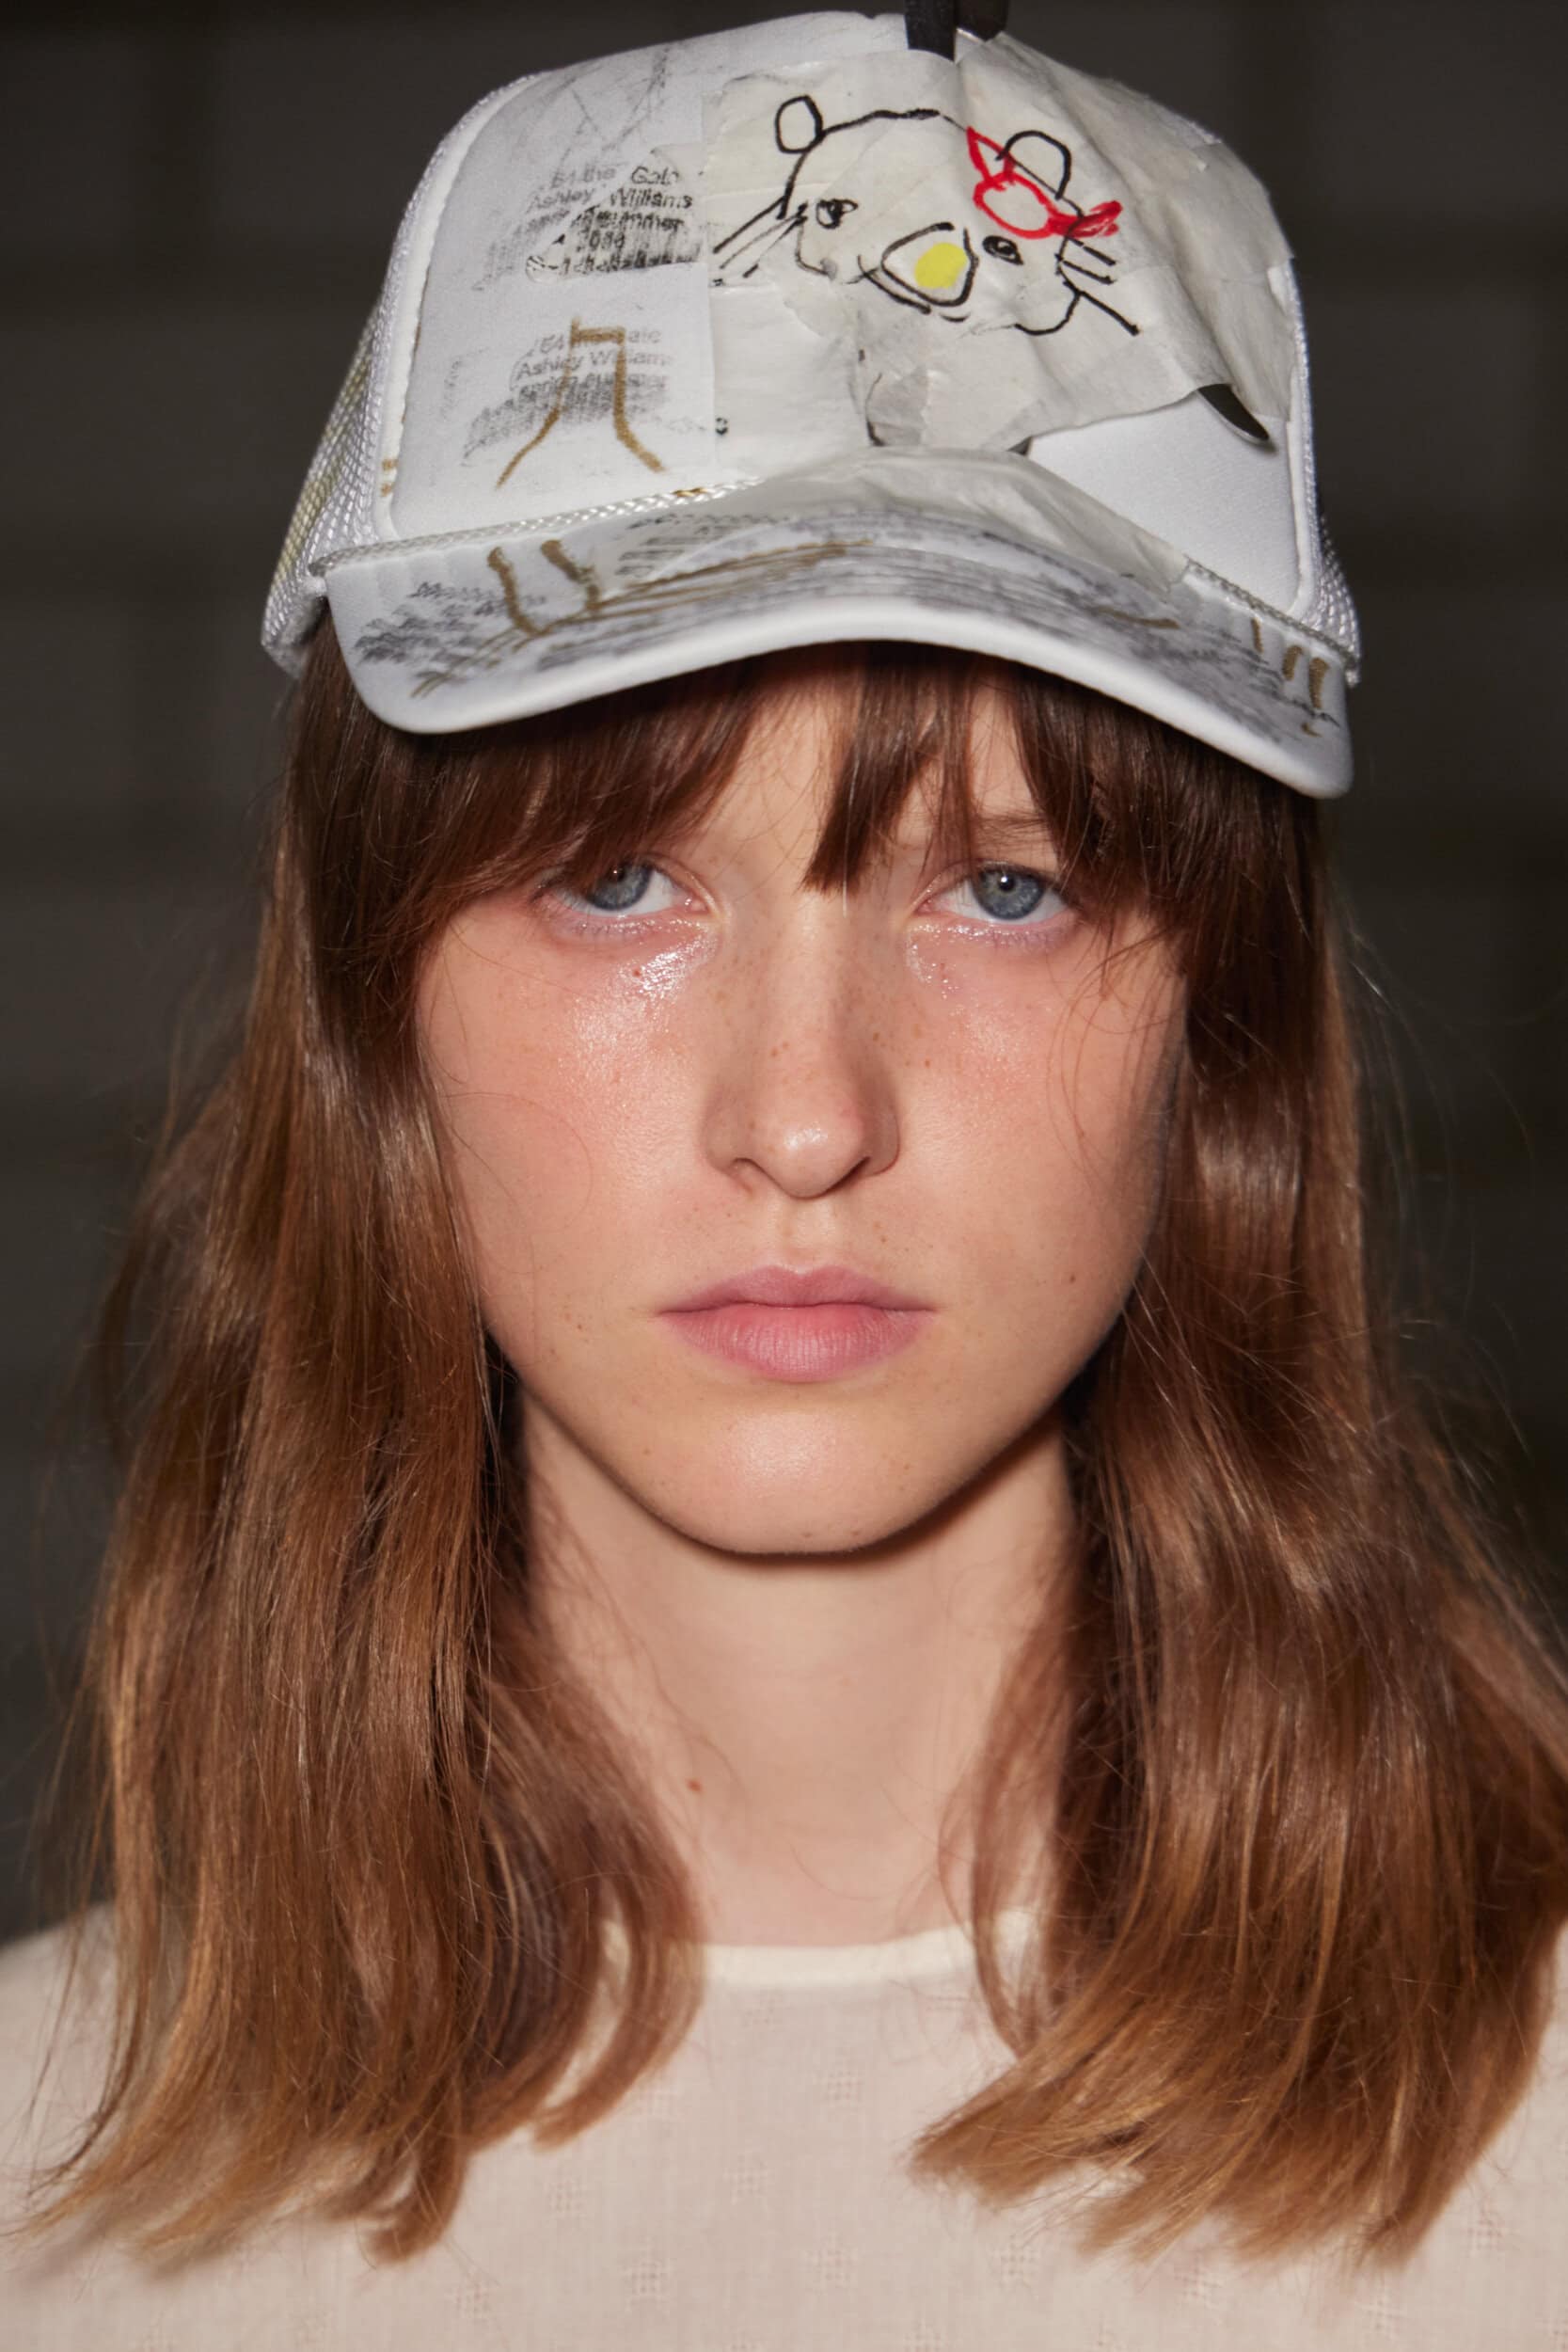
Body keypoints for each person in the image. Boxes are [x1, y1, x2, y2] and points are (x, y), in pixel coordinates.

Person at [3, 5, 1565, 2343]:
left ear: (1219, 1027)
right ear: (374, 1005)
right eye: (616, 878)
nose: (808, 1114)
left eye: (1006, 889)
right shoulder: (43, 2189)